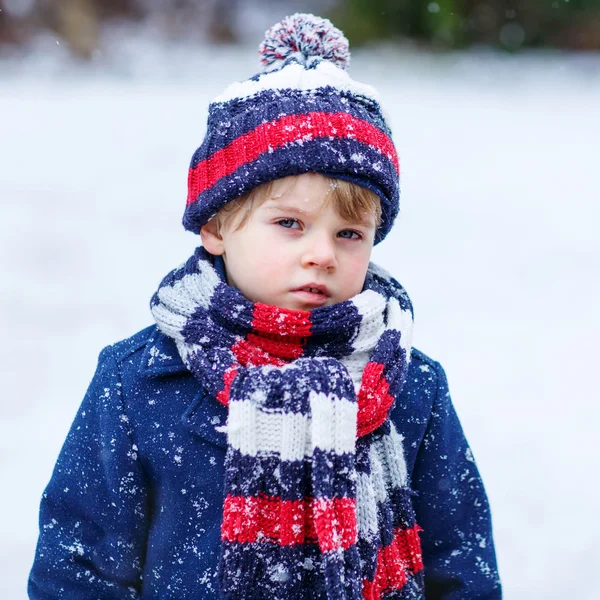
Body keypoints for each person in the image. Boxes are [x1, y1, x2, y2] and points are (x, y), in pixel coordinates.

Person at [28, 13, 502, 600]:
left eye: (349, 233)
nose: (321, 254)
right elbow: (80, 568)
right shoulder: (138, 383)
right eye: (289, 224)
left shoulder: (410, 384)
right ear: (216, 227)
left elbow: (459, 565)